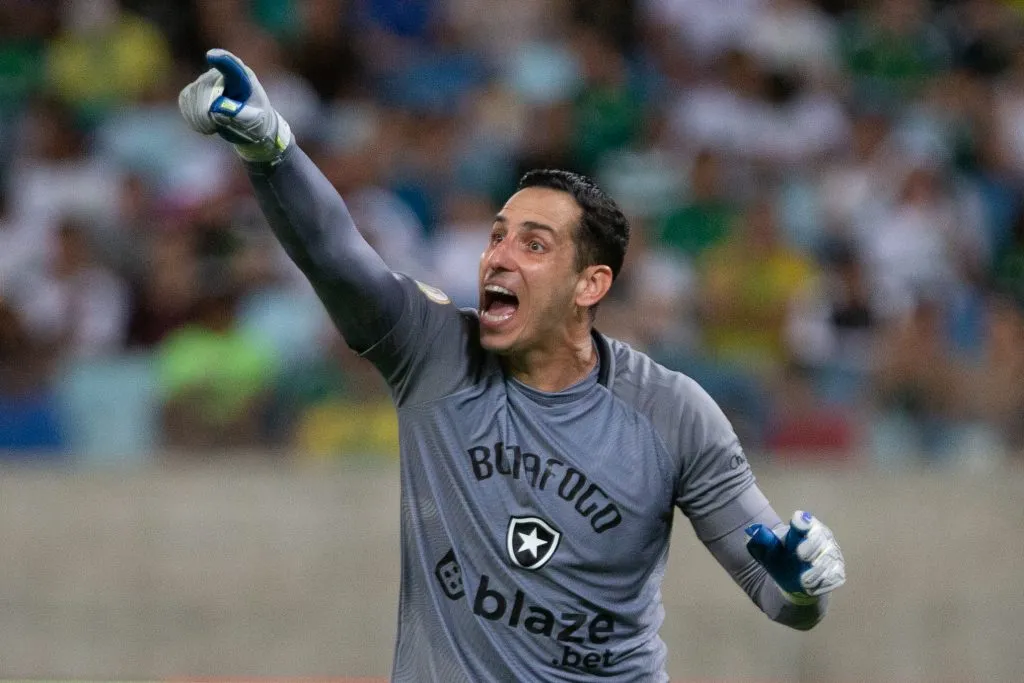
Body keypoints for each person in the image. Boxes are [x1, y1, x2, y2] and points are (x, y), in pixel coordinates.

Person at [178, 49, 846, 682]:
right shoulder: (431, 352)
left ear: (590, 284)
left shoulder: (671, 413)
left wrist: (802, 583)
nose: (498, 256)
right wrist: (272, 151)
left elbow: (780, 598)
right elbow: (336, 255)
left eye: (534, 244)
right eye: (497, 235)